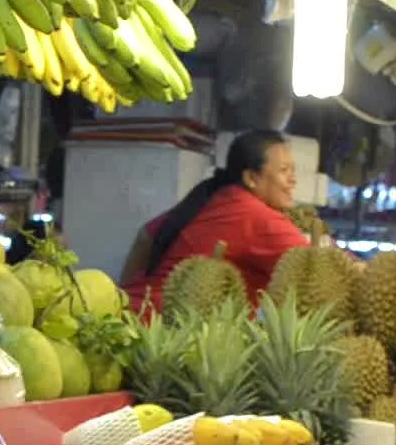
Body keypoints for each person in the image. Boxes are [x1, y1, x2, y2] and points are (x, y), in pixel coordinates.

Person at [119, 130, 308, 313]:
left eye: (293, 170)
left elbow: (145, 236)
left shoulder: (218, 197)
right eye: (284, 170)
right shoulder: (255, 216)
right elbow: (315, 266)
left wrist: (126, 294)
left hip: (131, 313)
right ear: (251, 178)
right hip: (166, 330)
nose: (293, 180)